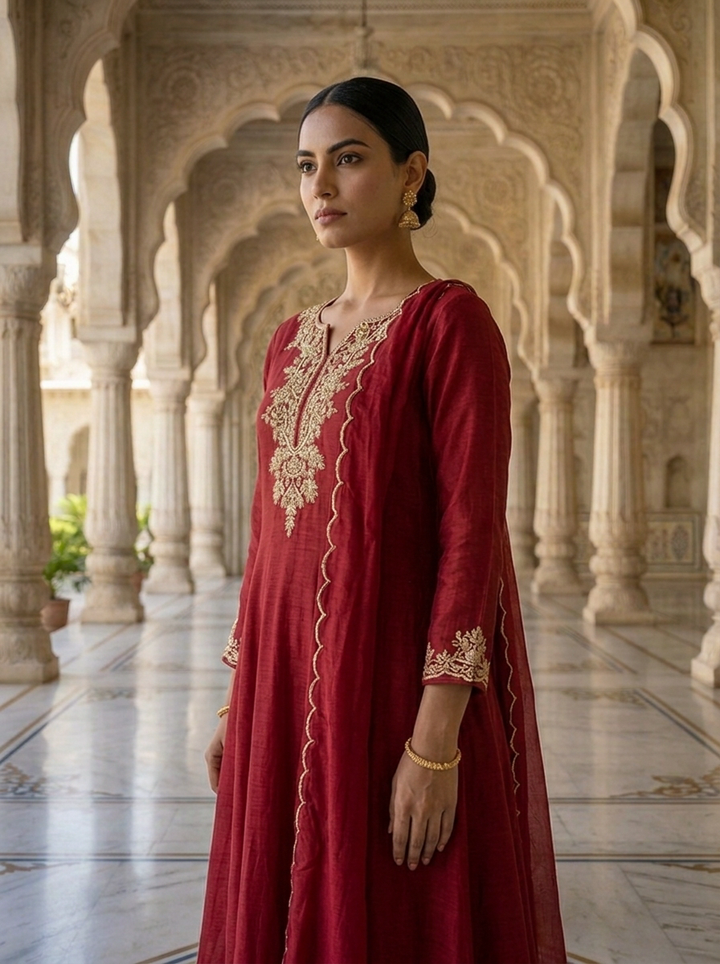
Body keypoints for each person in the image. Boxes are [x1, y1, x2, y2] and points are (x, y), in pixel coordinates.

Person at [198, 76, 566, 964]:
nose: (320, 185)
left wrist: (434, 743)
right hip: (283, 686)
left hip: (394, 686)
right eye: (307, 166)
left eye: (349, 159)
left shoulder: (450, 324)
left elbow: (471, 540)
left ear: (412, 177)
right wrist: (236, 696)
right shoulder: (290, 341)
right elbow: (268, 537)